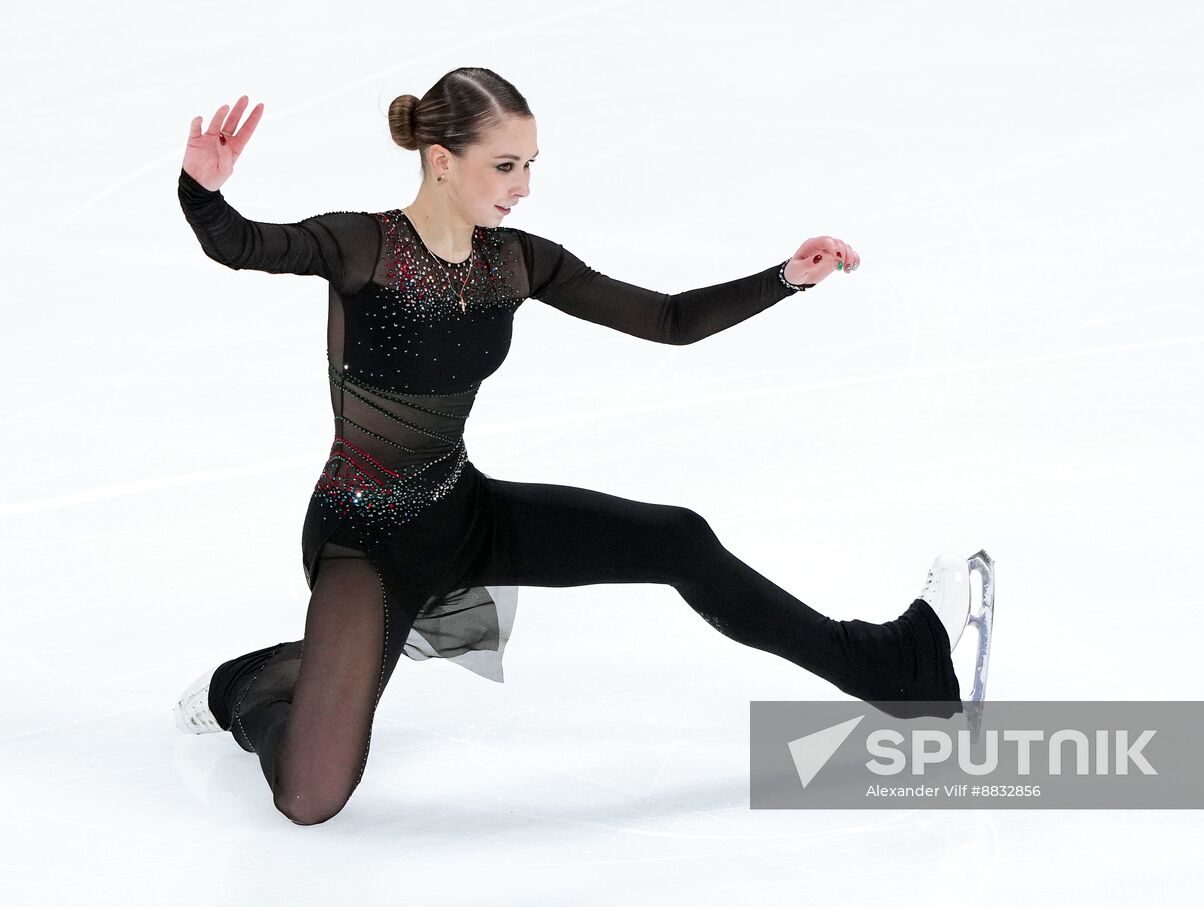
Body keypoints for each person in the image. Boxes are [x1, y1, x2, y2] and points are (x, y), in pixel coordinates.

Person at [171, 67, 974, 827]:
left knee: (678, 539)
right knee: (310, 797)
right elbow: (243, 244)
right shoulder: (363, 246)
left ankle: (900, 665)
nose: (525, 186)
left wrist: (785, 279)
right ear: (443, 161)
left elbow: (667, 320)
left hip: (463, 511)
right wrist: (202, 192)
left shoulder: (517, 260)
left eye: (531, 164)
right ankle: (250, 686)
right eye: (508, 165)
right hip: (364, 540)